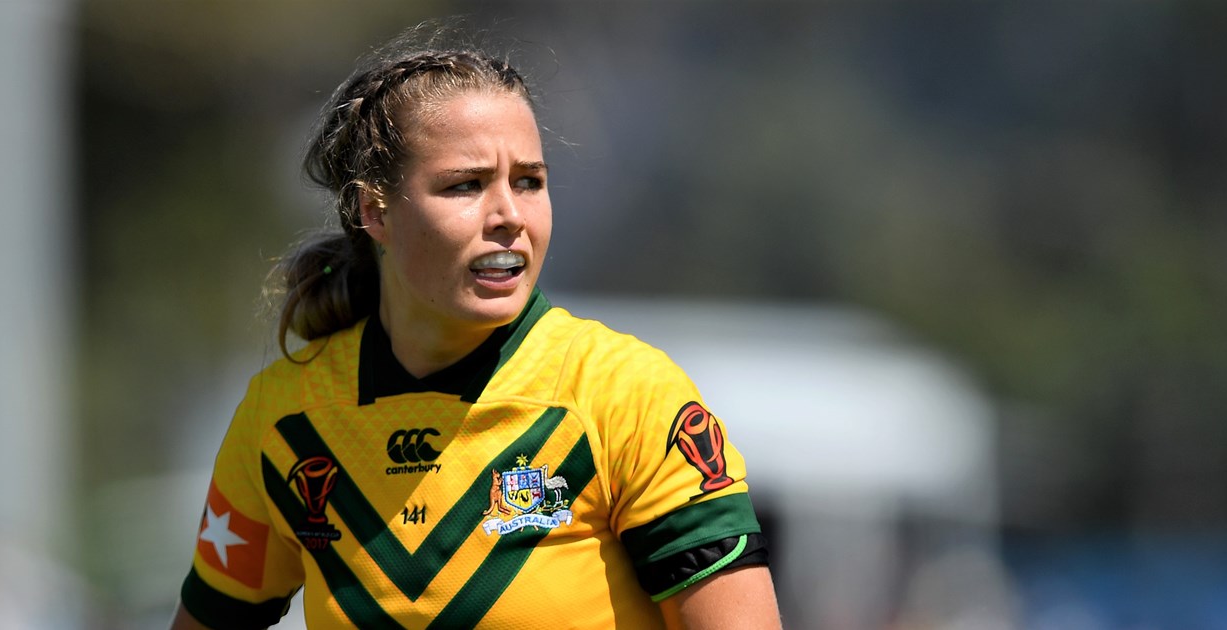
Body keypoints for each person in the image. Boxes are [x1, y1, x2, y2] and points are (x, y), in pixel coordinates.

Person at [172, 30, 780, 630]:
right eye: (465, 185)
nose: (510, 216)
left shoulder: (626, 395)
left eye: (529, 182)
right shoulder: (282, 418)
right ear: (374, 210)